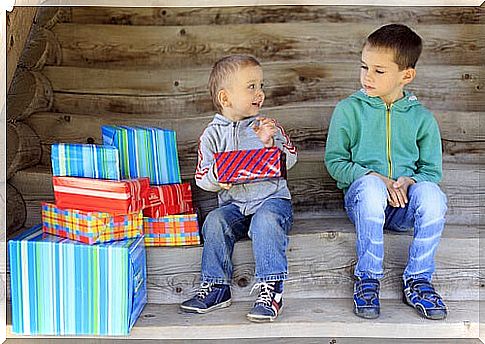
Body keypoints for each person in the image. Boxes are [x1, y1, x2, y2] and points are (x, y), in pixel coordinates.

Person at [324, 24, 448, 320]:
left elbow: (432, 171)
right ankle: (367, 278)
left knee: (433, 197)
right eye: (364, 66)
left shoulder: (422, 118)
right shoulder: (349, 110)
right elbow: (335, 162)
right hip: (364, 202)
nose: (367, 76)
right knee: (370, 189)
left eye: (379, 71)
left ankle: (419, 280)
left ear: (406, 75)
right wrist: (373, 177)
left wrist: (411, 181)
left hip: (404, 205)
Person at [180, 54, 297, 323]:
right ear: (225, 98)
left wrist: (270, 145)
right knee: (214, 221)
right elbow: (202, 177)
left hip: (271, 202)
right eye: (251, 86)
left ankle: (271, 290)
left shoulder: (267, 126)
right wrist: (219, 178)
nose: (260, 93)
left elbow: (290, 159)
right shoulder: (211, 135)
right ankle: (217, 287)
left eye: (261, 85)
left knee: (265, 222)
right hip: (235, 207)